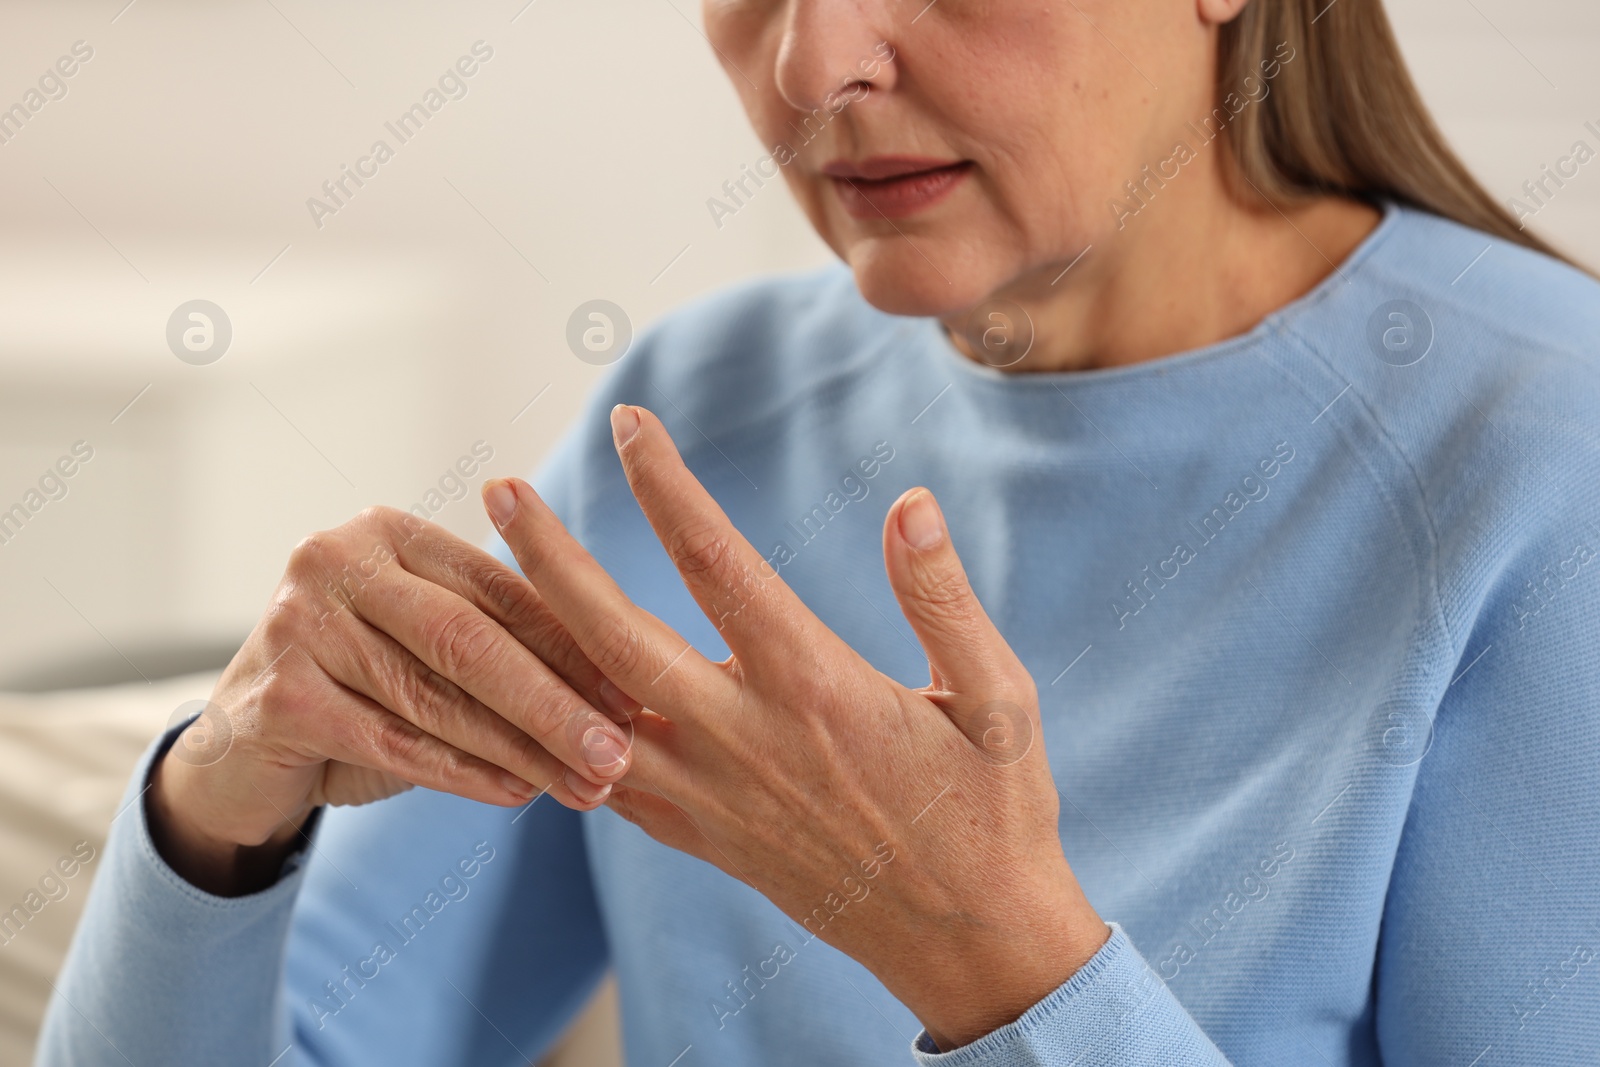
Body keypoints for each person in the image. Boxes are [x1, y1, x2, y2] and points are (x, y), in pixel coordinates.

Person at [38, 0, 1600, 1063]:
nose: (814, 62)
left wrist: (996, 960)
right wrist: (212, 819)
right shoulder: (696, 414)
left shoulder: (1545, 466)